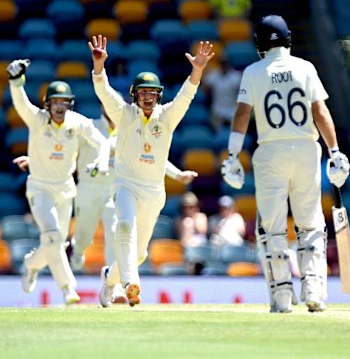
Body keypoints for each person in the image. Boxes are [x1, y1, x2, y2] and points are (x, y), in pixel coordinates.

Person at [221, 15, 350, 313]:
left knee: (272, 228)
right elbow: (320, 111)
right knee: (311, 223)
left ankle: (281, 297)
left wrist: (232, 155)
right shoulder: (305, 68)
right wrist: (335, 151)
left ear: (261, 43)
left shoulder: (253, 71)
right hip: (306, 149)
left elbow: (242, 114)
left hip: (270, 153)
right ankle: (314, 289)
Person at [88, 34, 214, 307]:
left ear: (158, 96)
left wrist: (198, 69)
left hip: (154, 193)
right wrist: (99, 66)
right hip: (125, 186)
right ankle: (130, 284)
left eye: (152, 93)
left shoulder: (167, 117)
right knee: (124, 224)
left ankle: (110, 277)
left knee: (140, 253)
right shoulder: (124, 114)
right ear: (135, 95)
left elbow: (186, 96)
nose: (148, 98)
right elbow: (104, 91)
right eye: (143, 93)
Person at [5, 63, 110, 305]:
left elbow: (102, 143)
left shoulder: (77, 123)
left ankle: (31, 265)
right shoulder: (38, 120)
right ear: (48, 104)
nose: (60, 107)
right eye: (55, 102)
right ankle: (68, 289)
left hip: (65, 190)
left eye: (64, 102)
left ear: (69, 104)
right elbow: (20, 102)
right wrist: (16, 79)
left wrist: (102, 161)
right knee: (52, 236)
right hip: (40, 189)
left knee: (56, 242)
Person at [70, 104, 199, 272]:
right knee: (84, 234)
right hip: (89, 187)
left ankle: (112, 278)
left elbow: (152, 157)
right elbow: (68, 146)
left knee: (116, 232)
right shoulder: (91, 126)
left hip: (114, 188)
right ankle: (78, 250)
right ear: (103, 107)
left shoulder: (130, 130)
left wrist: (177, 174)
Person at [201, 54, 242, 132]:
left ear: (229, 64)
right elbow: (204, 86)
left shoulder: (236, 76)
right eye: (222, 63)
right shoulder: (214, 74)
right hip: (217, 110)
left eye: (226, 63)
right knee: (216, 130)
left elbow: (243, 92)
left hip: (233, 110)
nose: (224, 65)